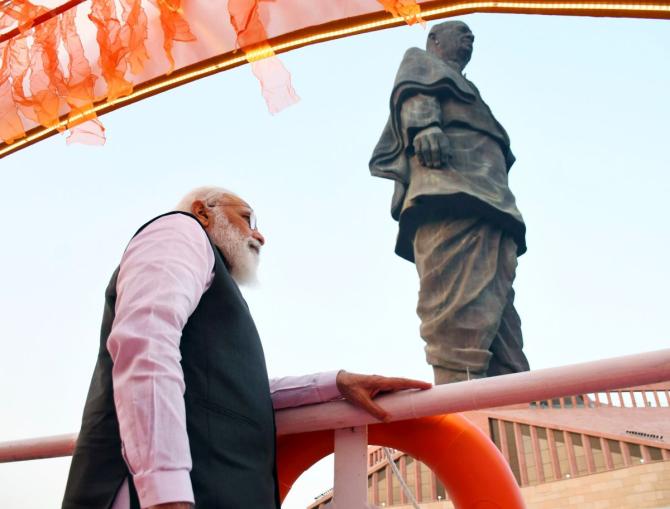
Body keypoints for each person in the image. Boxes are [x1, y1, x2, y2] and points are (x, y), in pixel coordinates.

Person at [61, 186, 431, 509]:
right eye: (247, 218)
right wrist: (165, 493)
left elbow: (224, 388)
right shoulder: (180, 231)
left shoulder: (210, 275)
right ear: (203, 212)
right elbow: (146, 341)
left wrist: (336, 384)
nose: (260, 235)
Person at [369, 20, 530, 385]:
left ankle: (513, 388)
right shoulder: (422, 64)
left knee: (498, 303)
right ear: (435, 39)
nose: (470, 36)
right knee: (457, 302)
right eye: (461, 31)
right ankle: (462, 394)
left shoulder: (466, 87)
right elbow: (414, 94)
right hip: (450, 190)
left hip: (490, 198)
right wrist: (425, 127)